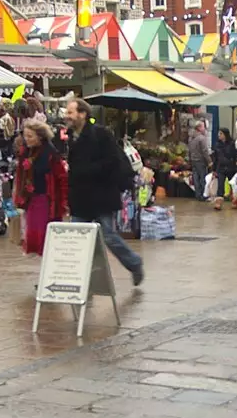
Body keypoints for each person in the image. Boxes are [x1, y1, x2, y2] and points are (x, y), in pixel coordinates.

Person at [64, 97, 144, 286]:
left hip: (101, 195)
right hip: (81, 198)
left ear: (82, 114)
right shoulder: (71, 136)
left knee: (108, 236)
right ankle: (85, 280)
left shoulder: (100, 134)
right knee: (78, 239)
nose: (66, 116)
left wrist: (86, 171)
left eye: (70, 112)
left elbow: (112, 161)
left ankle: (134, 263)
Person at [15, 121, 67, 255]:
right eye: (25, 136)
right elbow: (20, 176)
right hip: (31, 198)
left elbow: (62, 178)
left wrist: (64, 202)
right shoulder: (25, 152)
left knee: (44, 237)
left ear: (40, 136)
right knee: (32, 235)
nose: (27, 139)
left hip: (47, 199)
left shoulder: (51, 154)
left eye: (30, 136)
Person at [188, 119, 211, 200]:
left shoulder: (191, 138)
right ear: (200, 127)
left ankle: (197, 194)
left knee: (196, 178)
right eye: (203, 126)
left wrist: (190, 160)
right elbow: (205, 151)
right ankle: (203, 195)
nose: (204, 128)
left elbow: (189, 150)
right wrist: (209, 161)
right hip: (201, 161)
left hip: (193, 160)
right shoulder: (201, 138)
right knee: (202, 178)